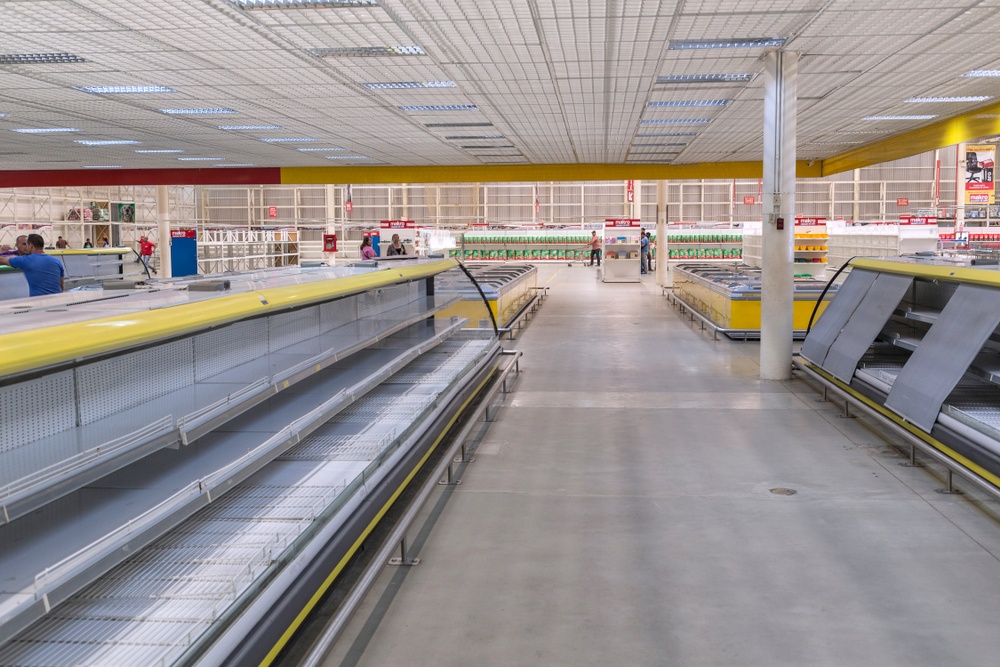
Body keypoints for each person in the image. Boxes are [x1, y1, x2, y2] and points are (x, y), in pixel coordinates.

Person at [0, 233, 65, 296]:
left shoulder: (26, 260)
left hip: (39, 302)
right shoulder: (57, 261)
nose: (26, 247)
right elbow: (61, 286)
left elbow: (2, 260)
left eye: (27, 245)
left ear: (31, 246)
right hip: (57, 301)